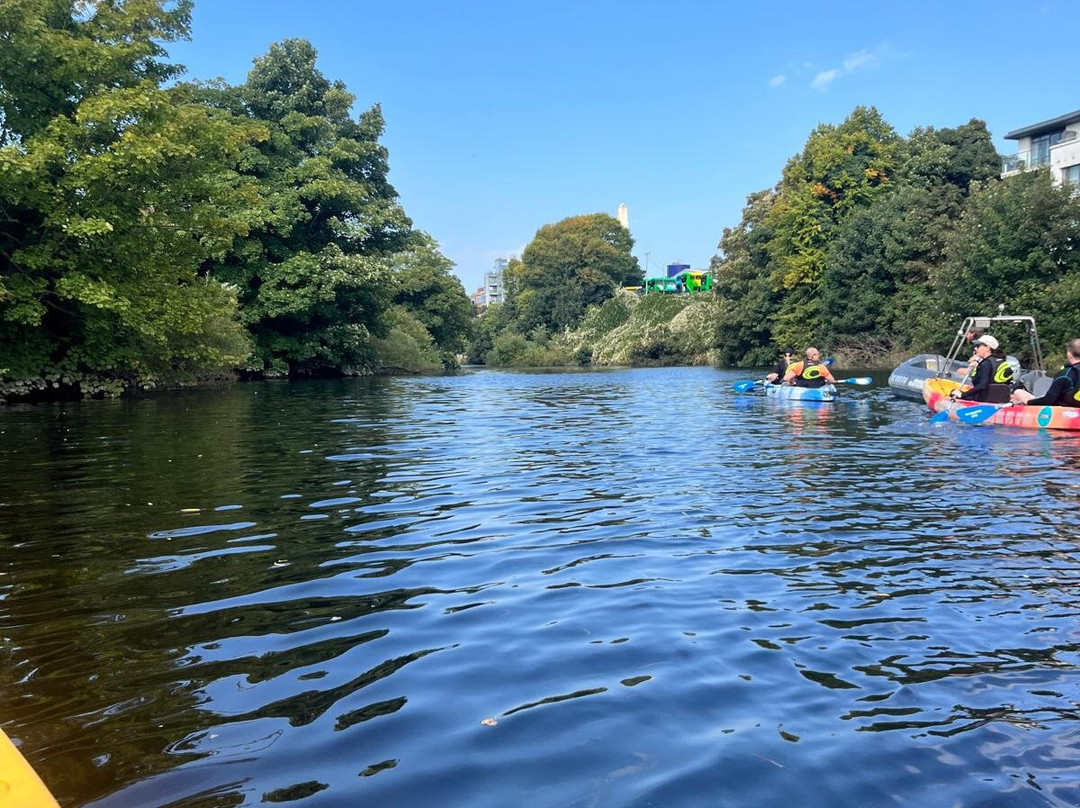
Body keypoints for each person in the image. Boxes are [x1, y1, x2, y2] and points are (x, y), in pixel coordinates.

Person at [1011, 338, 1080, 407]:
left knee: (1018, 392)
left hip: (1065, 412)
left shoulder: (1065, 375)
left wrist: (1028, 402)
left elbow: (1048, 401)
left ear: (1069, 354)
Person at [949, 334, 1014, 403]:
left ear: (988, 348)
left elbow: (982, 385)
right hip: (999, 399)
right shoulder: (999, 361)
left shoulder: (986, 364)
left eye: (978, 346)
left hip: (984, 399)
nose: (975, 348)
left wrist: (962, 395)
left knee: (953, 392)